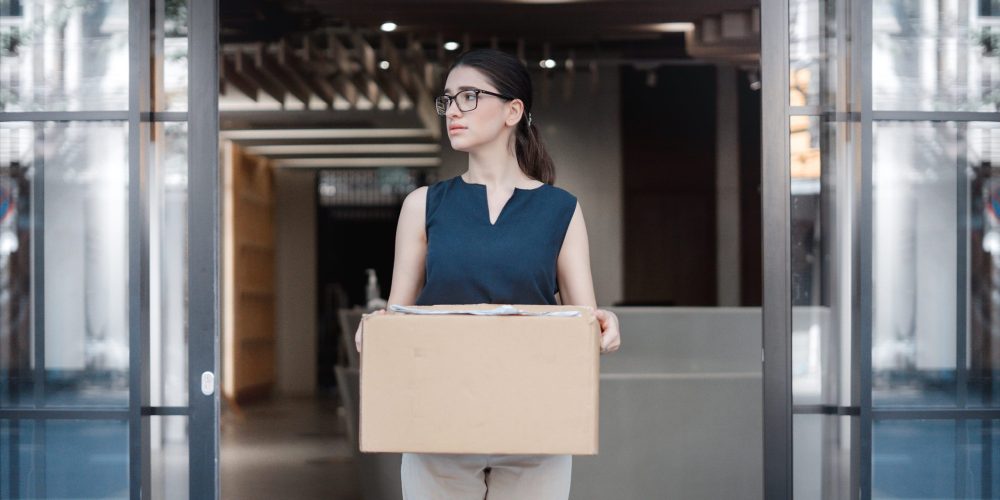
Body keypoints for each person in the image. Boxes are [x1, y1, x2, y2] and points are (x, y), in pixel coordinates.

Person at [354, 48, 622, 500]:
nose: (453, 111)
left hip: (536, 421)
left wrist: (605, 323)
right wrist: (377, 329)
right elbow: (398, 314)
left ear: (513, 111)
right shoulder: (423, 205)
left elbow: (583, 320)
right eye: (448, 100)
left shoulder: (561, 209)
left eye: (469, 97)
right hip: (437, 417)